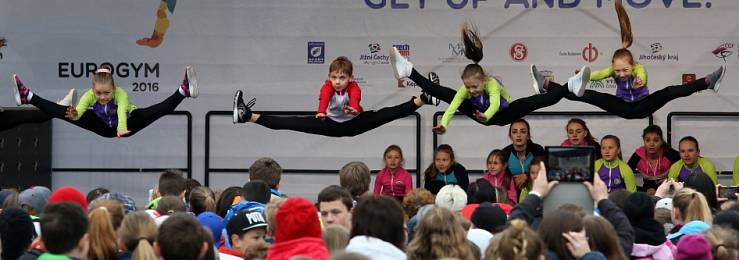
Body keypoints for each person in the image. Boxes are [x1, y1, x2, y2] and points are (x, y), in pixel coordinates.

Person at [389, 22, 588, 134]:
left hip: (503, 112)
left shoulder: (491, 84)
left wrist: (487, 115)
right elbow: (452, 105)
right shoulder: (465, 91)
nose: (472, 90)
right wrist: (445, 124)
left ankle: (568, 85)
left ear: (483, 81)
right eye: (468, 87)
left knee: (540, 101)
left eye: (475, 87)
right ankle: (409, 70)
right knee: (447, 94)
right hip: (480, 115)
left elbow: (493, 104)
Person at [541, 0, 726, 119]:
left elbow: (642, 75)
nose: (621, 74)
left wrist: (640, 81)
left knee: (669, 91)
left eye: (625, 70)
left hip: (642, 106)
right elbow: (598, 74)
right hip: (621, 106)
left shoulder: (638, 69)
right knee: (584, 95)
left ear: (633, 65)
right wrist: (584, 76)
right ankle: (547, 85)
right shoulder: (613, 71)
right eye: (618, 70)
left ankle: (708, 82)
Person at [233, 56, 434, 137]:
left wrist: (354, 109)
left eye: (342, 78)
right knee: (291, 122)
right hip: (329, 123)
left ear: (350, 78)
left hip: (355, 123)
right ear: (329, 77)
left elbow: (355, 99)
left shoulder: (354, 88)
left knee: (386, 114)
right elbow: (323, 99)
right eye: (334, 77)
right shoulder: (327, 87)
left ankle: (424, 98)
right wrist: (320, 113)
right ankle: (247, 116)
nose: (338, 81)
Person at [12, 65, 198, 138]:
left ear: (114, 88)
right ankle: (27, 96)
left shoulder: (121, 94)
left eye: (106, 93)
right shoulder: (89, 95)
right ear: (94, 90)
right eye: (99, 93)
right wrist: (74, 114)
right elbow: (80, 111)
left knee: (152, 111)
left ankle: (183, 91)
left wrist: (121, 128)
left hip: (125, 123)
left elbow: (121, 109)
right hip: (102, 126)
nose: (102, 97)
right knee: (63, 112)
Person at [627, 125, 680, 194]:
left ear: (661, 141)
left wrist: (670, 180)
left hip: (667, 188)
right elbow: (625, 174)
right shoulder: (638, 155)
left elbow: (683, 169)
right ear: (644, 141)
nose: (651, 144)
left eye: (656, 140)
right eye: (648, 140)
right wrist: (644, 191)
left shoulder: (669, 153)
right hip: (647, 189)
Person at [502, 119, 545, 201]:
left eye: (523, 132)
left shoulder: (537, 150)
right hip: (511, 198)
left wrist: (527, 176)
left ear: (528, 136)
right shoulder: (505, 153)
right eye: (514, 132)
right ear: (510, 136)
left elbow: (544, 171)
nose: (518, 135)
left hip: (536, 196)